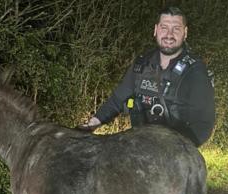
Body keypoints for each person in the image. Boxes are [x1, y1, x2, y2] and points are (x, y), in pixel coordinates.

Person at [80, 6, 215, 147]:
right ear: (156, 30)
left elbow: (204, 124)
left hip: (174, 152)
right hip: (139, 146)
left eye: (176, 28)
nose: (169, 35)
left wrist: (178, 149)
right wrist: (92, 124)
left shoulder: (195, 72)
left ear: (185, 33)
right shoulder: (142, 64)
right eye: (164, 28)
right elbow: (117, 100)